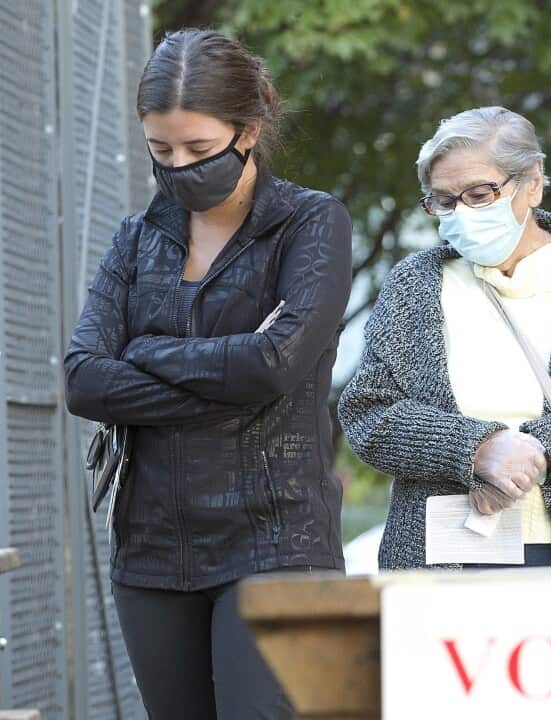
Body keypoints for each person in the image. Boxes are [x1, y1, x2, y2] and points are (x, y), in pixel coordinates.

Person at [63, 30, 352, 719]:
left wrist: (144, 350)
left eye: (198, 150)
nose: (178, 168)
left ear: (249, 130)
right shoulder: (138, 236)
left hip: (278, 540)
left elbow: (274, 365)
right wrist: (230, 372)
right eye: (161, 152)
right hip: (152, 545)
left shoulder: (311, 224)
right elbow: (82, 379)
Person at [338, 107, 551, 569]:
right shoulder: (413, 282)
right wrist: (477, 448)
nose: (461, 212)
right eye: (443, 201)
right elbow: (368, 412)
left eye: (479, 194)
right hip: (444, 558)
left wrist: (544, 447)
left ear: (533, 183)